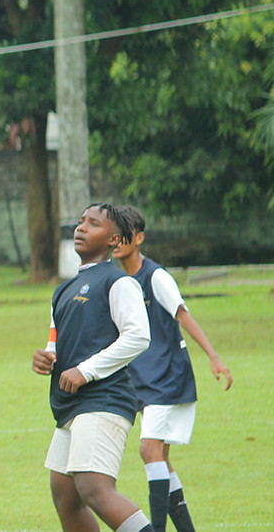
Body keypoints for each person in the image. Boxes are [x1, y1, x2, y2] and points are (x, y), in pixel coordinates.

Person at [32, 203, 154, 532]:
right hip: (71, 403)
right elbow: (56, 341)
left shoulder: (118, 282)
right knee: (65, 494)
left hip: (104, 399)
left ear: (114, 240)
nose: (81, 227)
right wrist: (46, 356)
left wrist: (86, 370)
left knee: (94, 488)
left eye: (93, 224)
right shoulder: (64, 290)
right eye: (81, 221)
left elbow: (139, 337)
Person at [112, 206, 233, 532]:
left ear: (139, 238)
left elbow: (183, 315)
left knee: (148, 449)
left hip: (167, 376)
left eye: (123, 233)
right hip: (143, 379)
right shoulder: (118, 280)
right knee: (160, 459)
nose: (115, 240)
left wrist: (213, 356)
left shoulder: (156, 276)